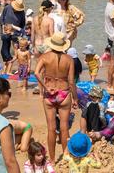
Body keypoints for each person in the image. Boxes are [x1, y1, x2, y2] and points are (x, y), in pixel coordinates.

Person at [34, 32, 77, 162]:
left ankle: (52, 160)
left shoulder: (45, 57)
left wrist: (45, 87)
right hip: (64, 93)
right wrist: (75, 98)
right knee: (64, 128)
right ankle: (65, 156)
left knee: (51, 128)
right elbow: (71, 81)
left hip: (49, 94)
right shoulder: (69, 59)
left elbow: (36, 73)